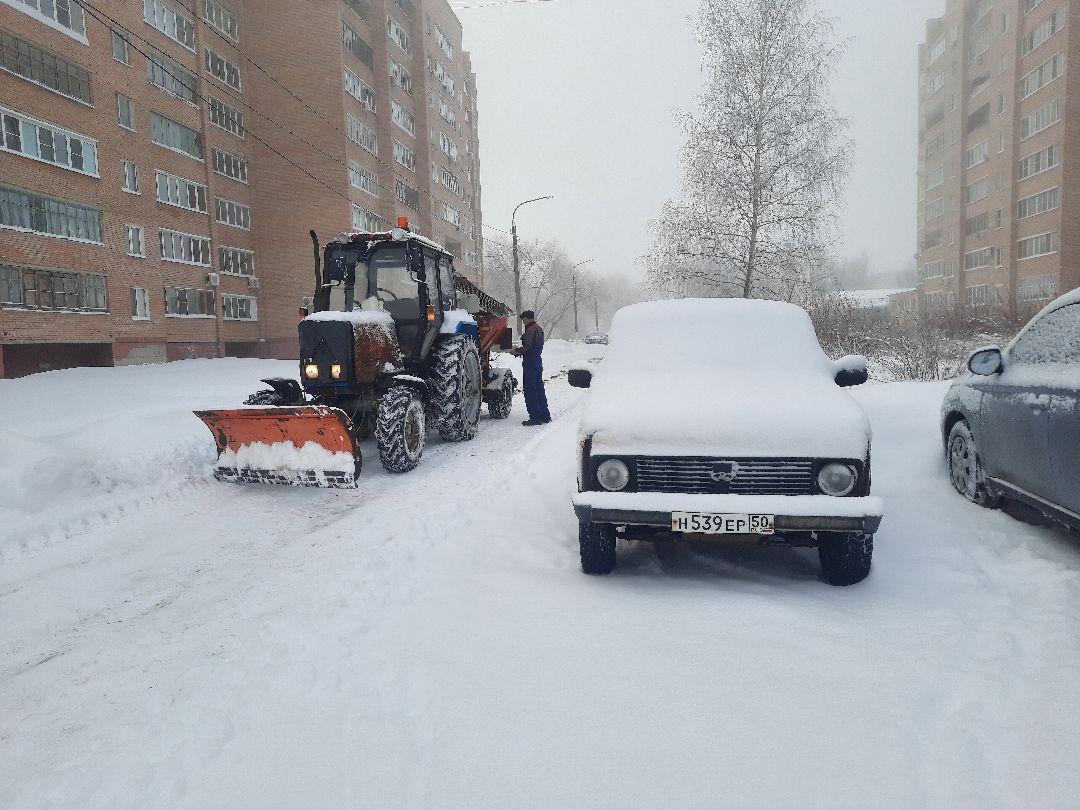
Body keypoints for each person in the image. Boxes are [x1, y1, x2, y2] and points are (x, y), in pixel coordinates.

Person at [512, 310, 551, 426]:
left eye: (523, 319)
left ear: (528, 318)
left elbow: (527, 347)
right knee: (539, 389)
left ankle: (535, 417)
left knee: (530, 390)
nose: (523, 321)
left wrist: (516, 351)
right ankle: (545, 415)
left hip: (530, 362)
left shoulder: (531, 330)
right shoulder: (538, 328)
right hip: (537, 362)